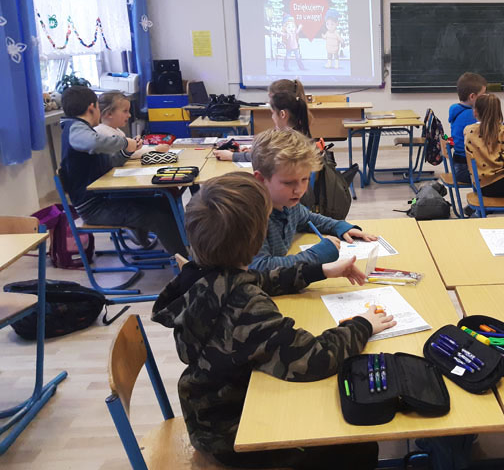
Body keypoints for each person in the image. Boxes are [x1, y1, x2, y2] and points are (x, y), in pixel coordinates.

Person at [152, 172, 395, 469]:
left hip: (210, 410)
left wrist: (320, 271)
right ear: (257, 239)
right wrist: (362, 325)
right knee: (358, 448)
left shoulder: (201, 275)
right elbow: (314, 359)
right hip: (233, 433)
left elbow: (259, 278)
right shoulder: (245, 305)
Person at [58, 86, 188, 256]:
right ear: (92, 107)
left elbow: (108, 164)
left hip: (104, 197)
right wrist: (124, 143)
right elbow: (94, 143)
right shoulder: (74, 128)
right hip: (95, 207)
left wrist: (127, 151)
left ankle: (184, 251)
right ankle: (185, 263)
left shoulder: (79, 128)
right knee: (158, 217)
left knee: (164, 202)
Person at [249, 128, 375, 271]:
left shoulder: (288, 203)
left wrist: (339, 226)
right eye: (289, 183)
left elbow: (308, 219)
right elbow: (261, 268)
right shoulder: (251, 217)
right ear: (261, 179)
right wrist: (316, 255)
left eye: (305, 179)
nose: (299, 190)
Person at [215, 79, 311, 162]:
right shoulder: (293, 132)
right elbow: (268, 154)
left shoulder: (289, 140)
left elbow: (265, 158)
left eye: (273, 113)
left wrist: (232, 156)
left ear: (282, 114)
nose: (272, 117)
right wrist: (255, 151)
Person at [95, 91, 170, 159]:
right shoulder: (103, 133)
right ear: (109, 114)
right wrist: (155, 149)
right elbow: (128, 155)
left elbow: (126, 152)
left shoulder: (117, 131)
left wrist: (134, 145)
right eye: (125, 111)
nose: (129, 115)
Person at [448, 72, 487, 185]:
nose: (485, 97)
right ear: (472, 97)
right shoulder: (471, 115)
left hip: (458, 166)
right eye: (483, 94)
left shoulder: (456, 109)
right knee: (499, 174)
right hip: (467, 169)